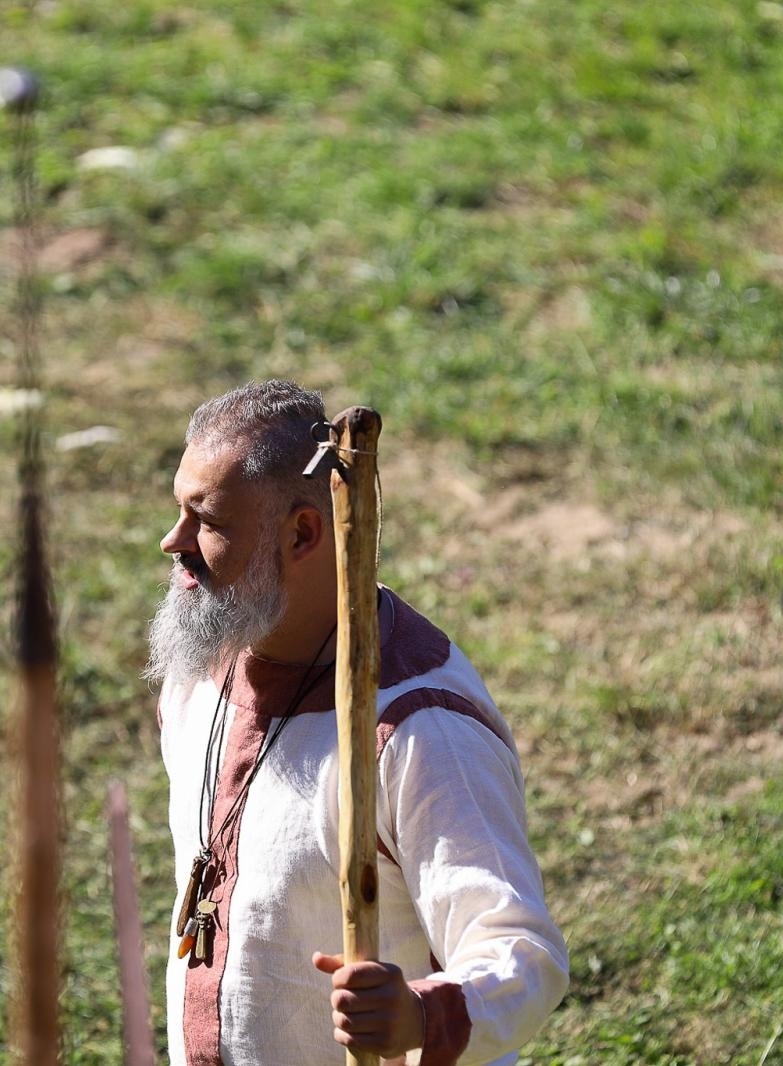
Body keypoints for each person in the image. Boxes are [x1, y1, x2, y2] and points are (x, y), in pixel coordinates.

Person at [146, 380, 568, 1066]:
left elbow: (523, 954)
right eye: (178, 511)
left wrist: (419, 1015)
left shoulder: (418, 731)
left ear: (304, 532)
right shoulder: (202, 670)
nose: (174, 542)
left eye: (209, 520)